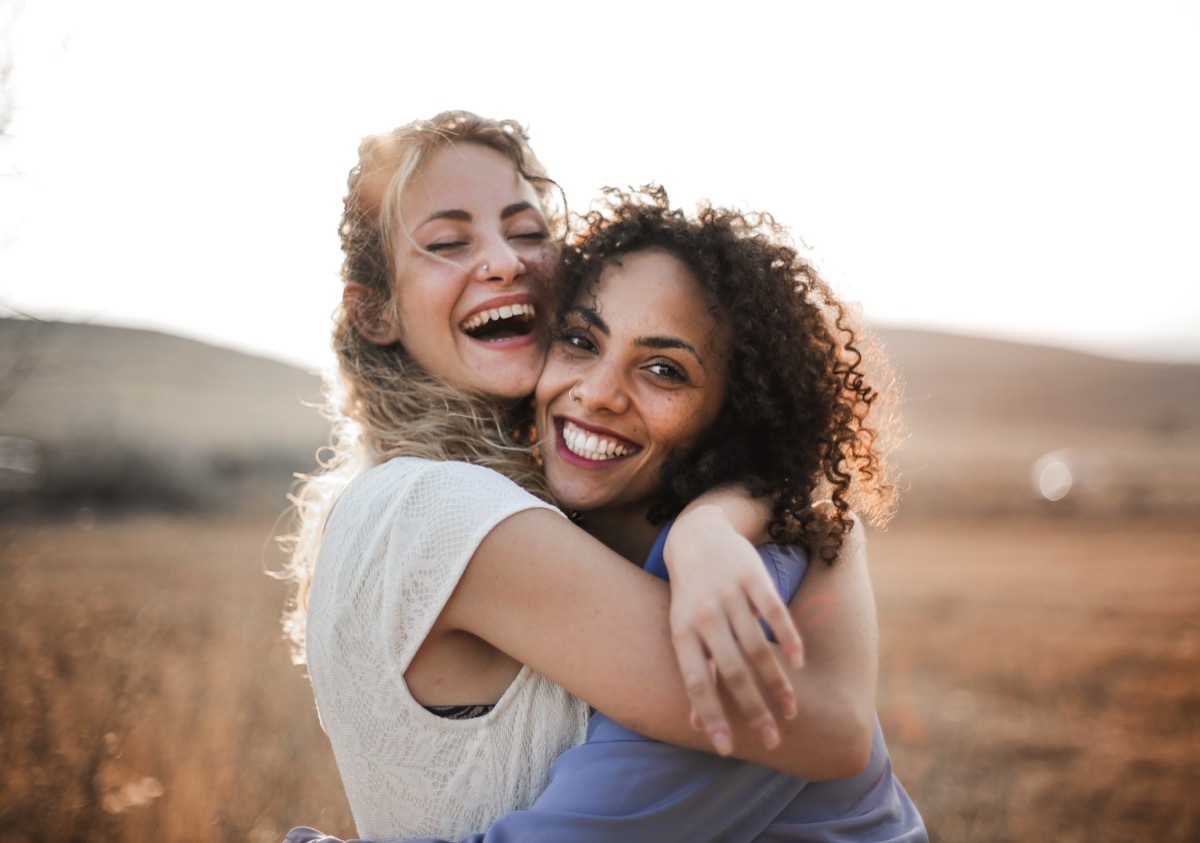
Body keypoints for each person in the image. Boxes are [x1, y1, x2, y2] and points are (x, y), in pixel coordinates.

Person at [278, 112, 881, 842]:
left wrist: (723, 516)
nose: (503, 261)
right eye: (446, 242)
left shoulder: (412, 497)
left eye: (527, 230)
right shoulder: (448, 509)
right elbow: (826, 724)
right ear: (375, 311)